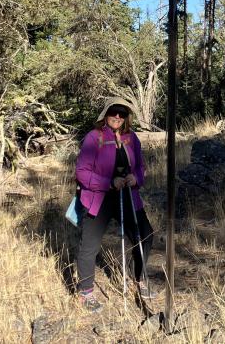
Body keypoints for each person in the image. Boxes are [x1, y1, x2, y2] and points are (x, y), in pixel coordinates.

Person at [75, 97, 155, 312]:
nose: (117, 117)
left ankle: (138, 278)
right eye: (114, 112)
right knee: (89, 245)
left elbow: (140, 167)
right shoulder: (94, 137)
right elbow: (82, 172)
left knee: (145, 235)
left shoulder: (131, 137)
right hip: (99, 198)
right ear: (106, 113)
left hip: (127, 195)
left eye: (122, 113)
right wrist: (108, 182)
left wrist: (135, 178)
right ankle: (86, 293)